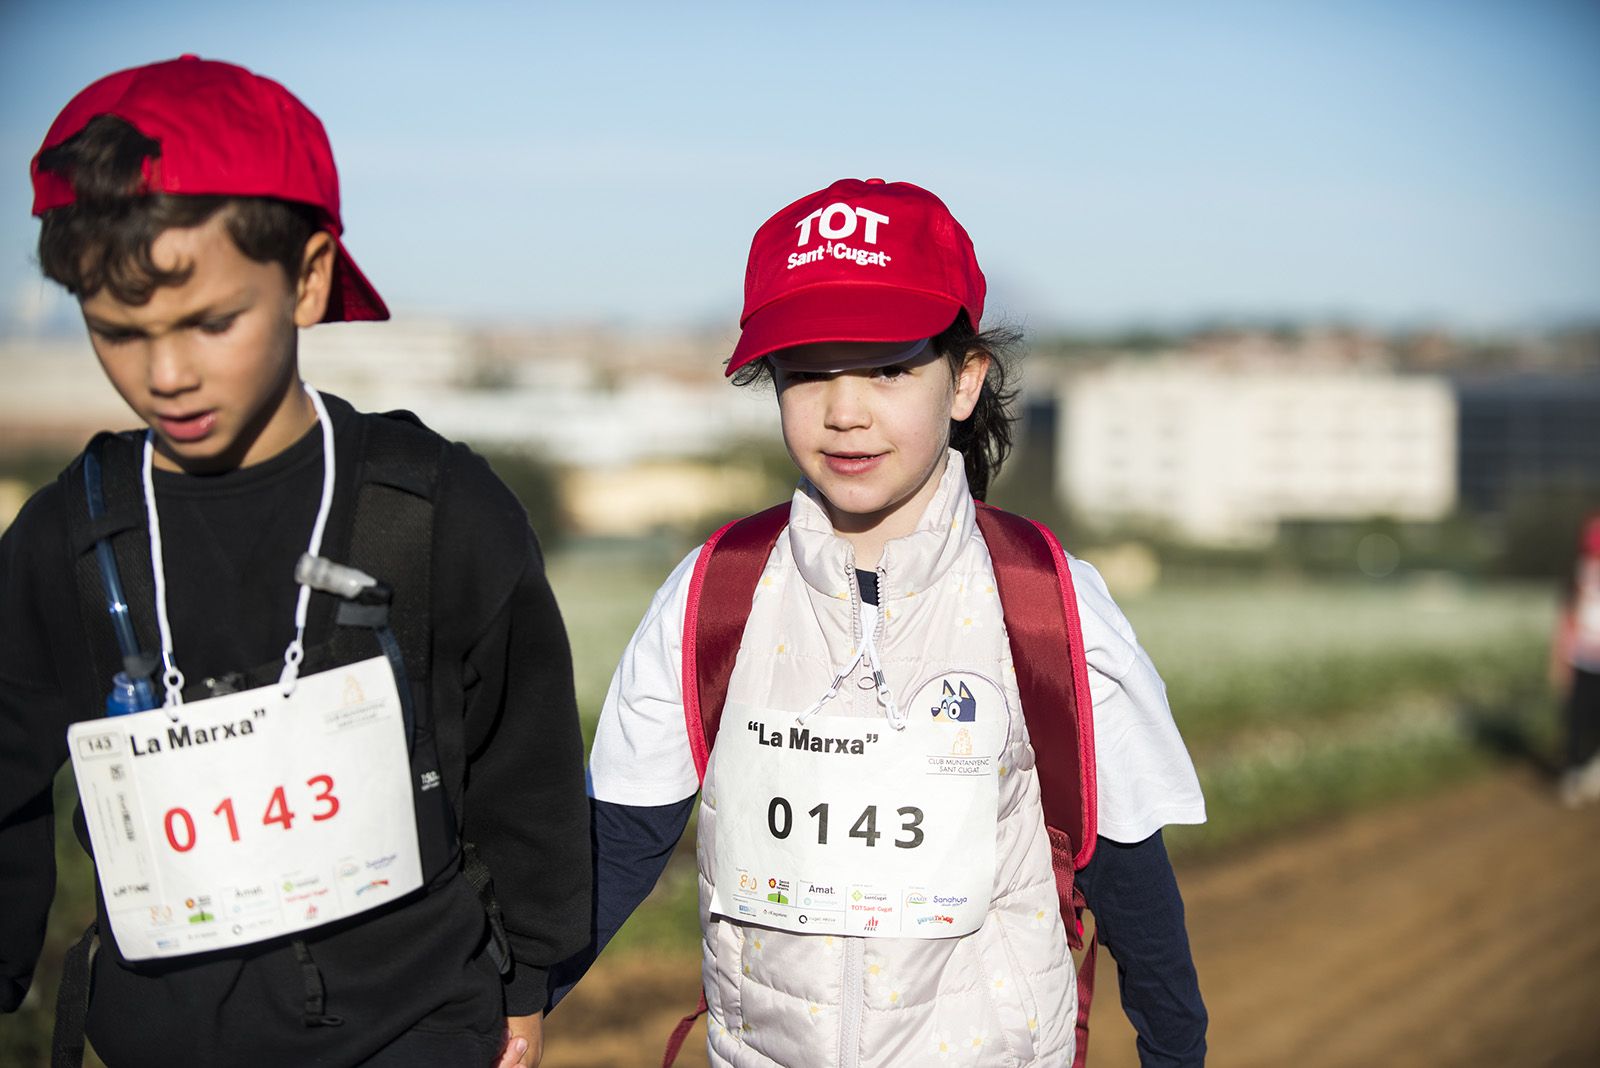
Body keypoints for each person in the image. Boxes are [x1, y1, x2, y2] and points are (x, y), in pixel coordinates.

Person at [0, 56, 589, 1067]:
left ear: (309, 275)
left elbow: (520, 764)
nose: (167, 373)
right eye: (116, 333)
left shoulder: (439, 511)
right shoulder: (67, 537)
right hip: (158, 1040)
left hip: (421, 1030)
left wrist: (527, 980)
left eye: (211, 322)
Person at [552, 178, 1208, 1066]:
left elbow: (1132, 884)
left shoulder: (1049, 605)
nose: (846, 411)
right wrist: (507, 1005)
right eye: (809, 373)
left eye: (890, 368)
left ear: (965, 380)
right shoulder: (714, 596)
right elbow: (617, 849)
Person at [1554, 513, 1600, 808]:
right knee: (1576, 719)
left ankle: (1592, 773)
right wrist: (1559, 659)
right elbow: (1566, 618)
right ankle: (1573, 773)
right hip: (1582, 659)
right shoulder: (1576, 574)